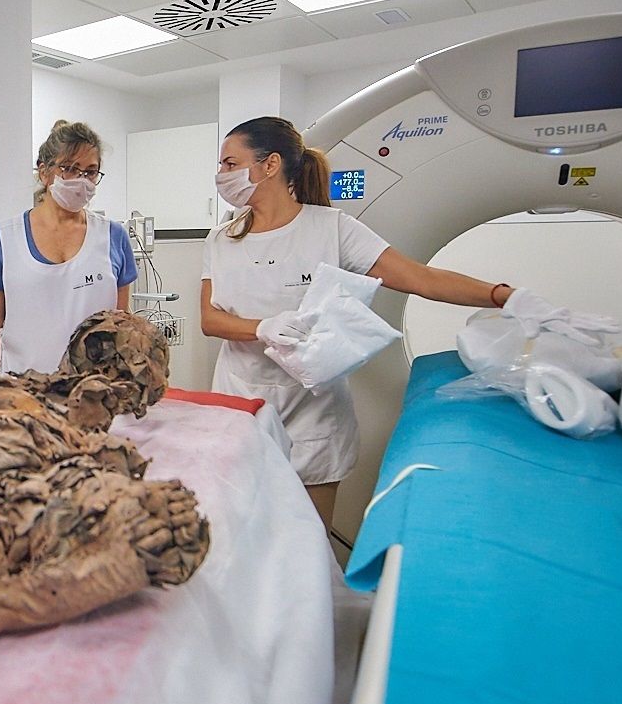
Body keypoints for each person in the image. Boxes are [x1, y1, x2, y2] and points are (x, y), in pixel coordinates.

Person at [200, 116, 513, 527]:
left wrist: (502, 295)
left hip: (313, 414)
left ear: (270, 164)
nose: (221, 175)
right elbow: (210, 319)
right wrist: (261, 327)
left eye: (229, 163)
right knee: (240, 537)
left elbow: (420, 278)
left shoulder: (332, 228)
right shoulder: (222, 239)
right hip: (240, 404)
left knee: (309, 544)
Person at [0, 121, 138, 377]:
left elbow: (120, 322)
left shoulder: (112, 236)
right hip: (24, 390)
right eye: (70, 169)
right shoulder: (6, 238)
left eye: (90, 172)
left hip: (94, 391)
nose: (81, 180)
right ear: (44, 172)